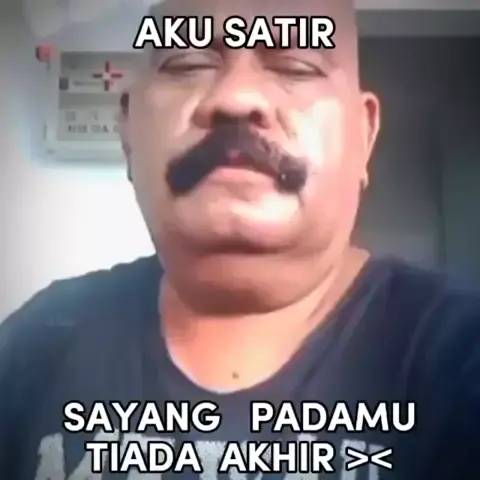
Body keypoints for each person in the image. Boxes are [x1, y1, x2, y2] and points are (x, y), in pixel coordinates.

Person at [1, 0, 480, 478]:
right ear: (129, 129)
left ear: (364, 134)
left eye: (296, 65)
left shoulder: (459, 357)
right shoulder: (38, 341)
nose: (235, 97)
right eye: (188, 62)